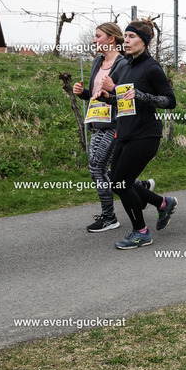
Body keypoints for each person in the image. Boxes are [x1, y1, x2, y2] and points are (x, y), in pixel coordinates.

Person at [94, 17, 178, 249]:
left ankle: (141, 232)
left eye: (132, 36)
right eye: (126, 36)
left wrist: (141, 95)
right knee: (118, 183)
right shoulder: (127, 66)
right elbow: (124, 101)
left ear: (144, 41)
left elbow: (169, 101)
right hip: (125, 133)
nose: (126, 40)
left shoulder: (152, 67)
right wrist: (108, 97)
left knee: (121, 183)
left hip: (145, 134)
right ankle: (163, 203)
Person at [73, 22, 127, 232]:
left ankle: (109, 217)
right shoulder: (97, 61)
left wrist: (112, 89)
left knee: (97, 168)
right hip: (97, 123)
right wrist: (82, 93)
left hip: (114, 124)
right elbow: (95, 95)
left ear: (111, 39)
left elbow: (125, 98)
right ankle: (141, 187)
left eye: (98, 36)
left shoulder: (123, 64)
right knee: (106, 170)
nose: (94, 40)